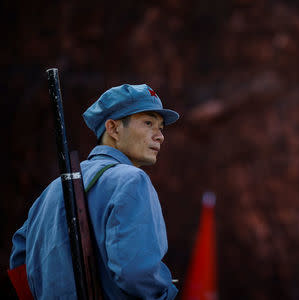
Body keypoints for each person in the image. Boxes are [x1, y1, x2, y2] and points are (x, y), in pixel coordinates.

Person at [9, 84, 179, 299]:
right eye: (148, 123)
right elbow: (135, 275)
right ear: (113, 128)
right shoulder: (132, 181)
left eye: (161, 127)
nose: (160, 136)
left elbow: (19, 263)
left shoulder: (51, 190)